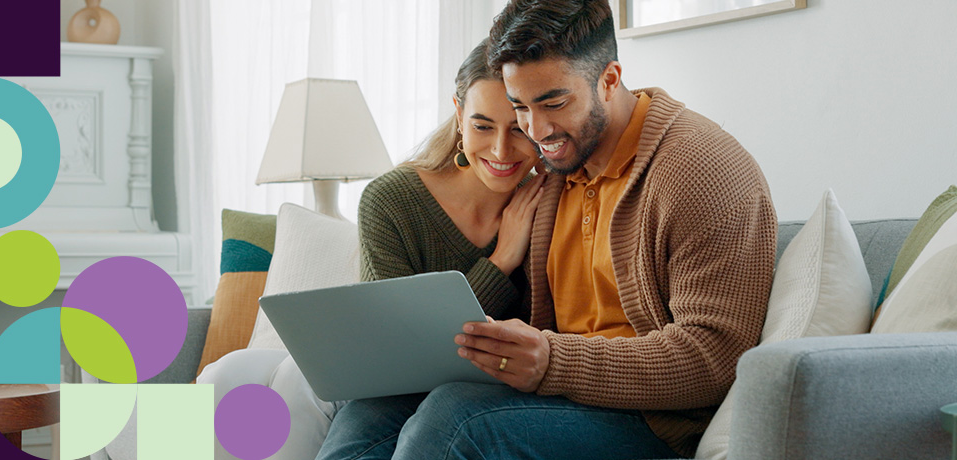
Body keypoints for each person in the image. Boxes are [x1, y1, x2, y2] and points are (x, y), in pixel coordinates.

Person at [320, 1, 778, 459]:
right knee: (370, 413)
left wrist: (555, 361)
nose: (535, 130)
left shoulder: (700, 170)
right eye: (520, 106)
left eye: (553, 103)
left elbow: (714, 357)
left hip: (653, 423)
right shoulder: (556, 168)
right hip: (559, 397)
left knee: (458, 417)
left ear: (610, 80)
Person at [315, 41, 547, 459]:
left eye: (517, 129)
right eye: (481, 126)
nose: (499, 150)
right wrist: (501, 261)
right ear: (459, 115)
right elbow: (399, 350)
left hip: (497, 391)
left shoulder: (551, 204)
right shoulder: (391, 201)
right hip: (399, 387)